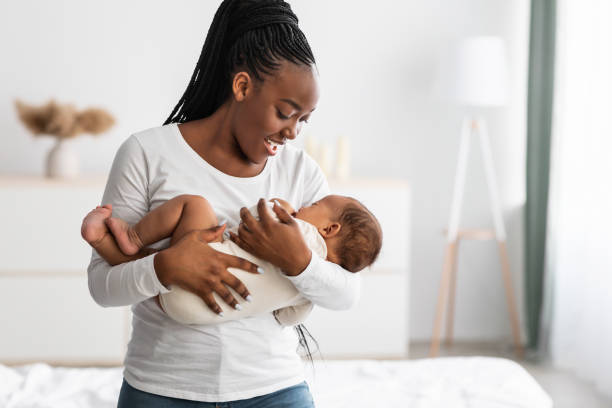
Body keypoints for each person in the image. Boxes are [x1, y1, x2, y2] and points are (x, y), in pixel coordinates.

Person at [85, 0, 362, 406]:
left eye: (305, 120)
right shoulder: (147, 152)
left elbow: (347, 293)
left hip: (275, 389)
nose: (293, 133)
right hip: (162, 389)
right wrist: (164, 266)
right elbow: (101, 287)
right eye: (286, 113)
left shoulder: (301, 172)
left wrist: (299, 262)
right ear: (243, 86)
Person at [82, 194, 382, 326]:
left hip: (183, 285)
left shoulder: (299, 230)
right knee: (166, 263)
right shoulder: (310, 292)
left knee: (195, 205)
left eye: (314, 204)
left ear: (330, 229)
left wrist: (281, 208)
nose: (305, 204)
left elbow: (251, 217)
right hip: (195, 313)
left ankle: (131, 238)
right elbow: (287, 318)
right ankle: (101, 240)